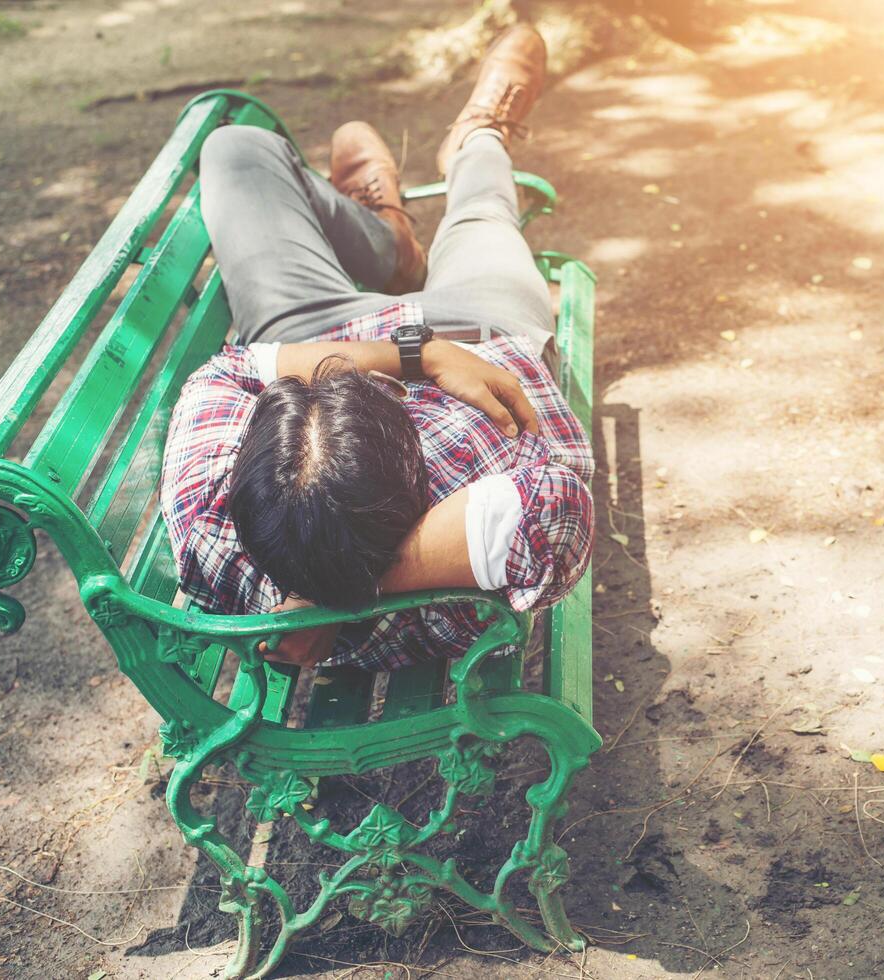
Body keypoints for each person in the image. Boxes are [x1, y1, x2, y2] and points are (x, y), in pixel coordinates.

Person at [160, 24, 593, 670]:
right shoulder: (449, 599)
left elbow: (227, 372)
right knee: (481, 215)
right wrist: (355, 589)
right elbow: (559, 511)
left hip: (326, 329)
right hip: (483, 326)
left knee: (236, 151)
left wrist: (417, 357)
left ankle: (392, 248)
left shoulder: (210, 519)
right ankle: (478, 135)